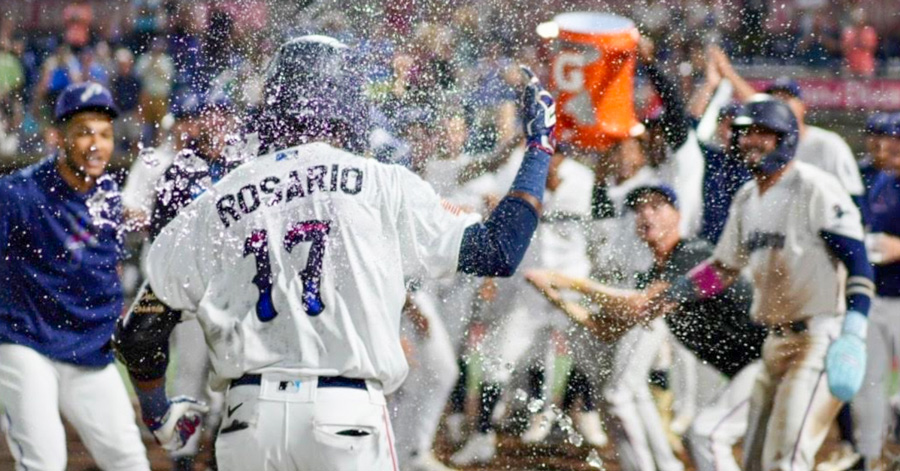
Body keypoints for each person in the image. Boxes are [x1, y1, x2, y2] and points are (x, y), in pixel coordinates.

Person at [112, 35, 555, 471]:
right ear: (349, 101)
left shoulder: (218, 198)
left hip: (249, 424)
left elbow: (139, 336)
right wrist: (538, 150)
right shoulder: (385, 183)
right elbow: (500, 249)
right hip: (346, 421)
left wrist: (160, 417)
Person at [661, 95, 872, 471]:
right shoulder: (746, 197)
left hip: (817, 338)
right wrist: (675, 293)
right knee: (756, 461)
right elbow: (724, 267)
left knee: (786, 459)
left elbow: (857, 260)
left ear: (785, 138)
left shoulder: (814, 186)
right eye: (744, 134)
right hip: (773, 341)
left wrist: (854, 327)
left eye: (763, 134)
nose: (751, 141)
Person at [0, 82, 150, 470]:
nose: (96, 144)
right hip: (26, 344)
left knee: (130, 460)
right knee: (44, 461)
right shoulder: (19, 194)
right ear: (58, 136)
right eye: (84, 132)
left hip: (87, 352)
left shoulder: (110, 200)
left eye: (104, 133)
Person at [852, 114, 900, 471]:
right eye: (877, 137)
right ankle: (871, 459)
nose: (883, 146)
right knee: (868, 385)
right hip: (877, 295)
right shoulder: (881, 181)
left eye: (892, 138)